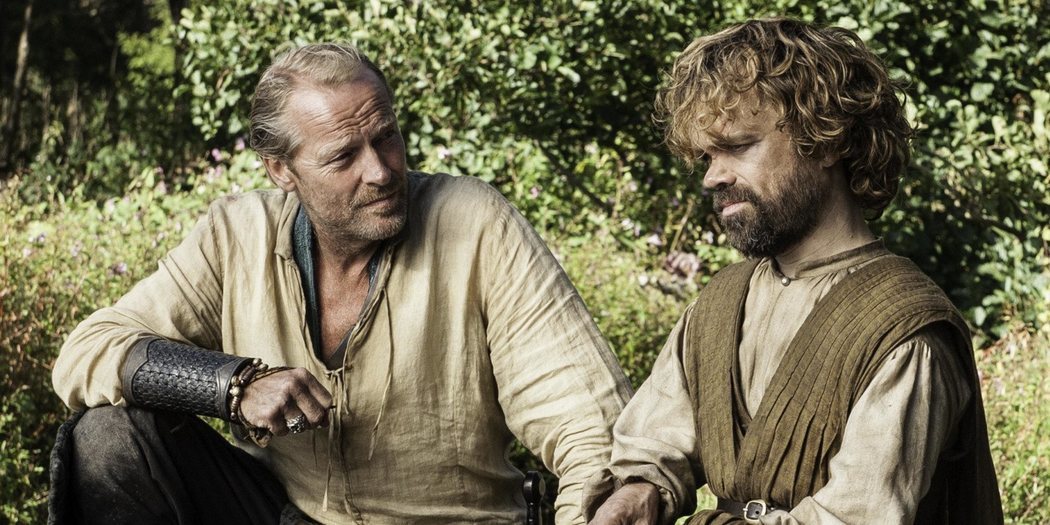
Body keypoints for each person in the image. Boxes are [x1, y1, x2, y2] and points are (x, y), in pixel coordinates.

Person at [50, 42, 632, 524]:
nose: (380, 170)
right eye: (343, 156)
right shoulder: (236, 235)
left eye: (386, 137)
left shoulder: (475, 223)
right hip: (285, 513)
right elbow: (89, 350)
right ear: (281, 170)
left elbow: (591, 427)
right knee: (106, 438)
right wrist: (234, 386)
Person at [583, 18, 1002, 525]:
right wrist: (640, 490)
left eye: (738, 146)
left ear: (825, 141)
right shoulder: (720, 304)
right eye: (707, 156)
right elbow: (657, 441)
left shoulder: (903, 332)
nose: (713, 176)